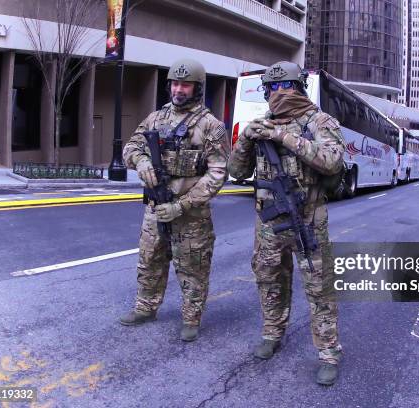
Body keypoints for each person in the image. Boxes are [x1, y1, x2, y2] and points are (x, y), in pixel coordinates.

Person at [228, 61, 345, 385]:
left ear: (299, 90)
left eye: (286, 88)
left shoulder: (320, 122)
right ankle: (271, 333)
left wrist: (283, 136)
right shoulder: (259, 124)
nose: (279, 94)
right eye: (273, 89)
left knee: (319, 288)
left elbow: (333, 162)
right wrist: (246, 140)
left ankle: (328, 352)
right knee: (269, 280)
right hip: (269, 223)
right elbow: (236, 171)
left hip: (308, 219)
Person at [119, 58, 229, 342]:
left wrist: (181, 205)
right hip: (155, 208)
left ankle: (191, 319)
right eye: (175, 84)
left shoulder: (210, 126)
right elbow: (131, 146)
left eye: (186, 84)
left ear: (197, 88)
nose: (179, 89)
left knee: (192, 267)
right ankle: (146, 307)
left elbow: (217, 174)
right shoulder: (156, 118)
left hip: (191, 214)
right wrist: (141, 161)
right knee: (149, 259)